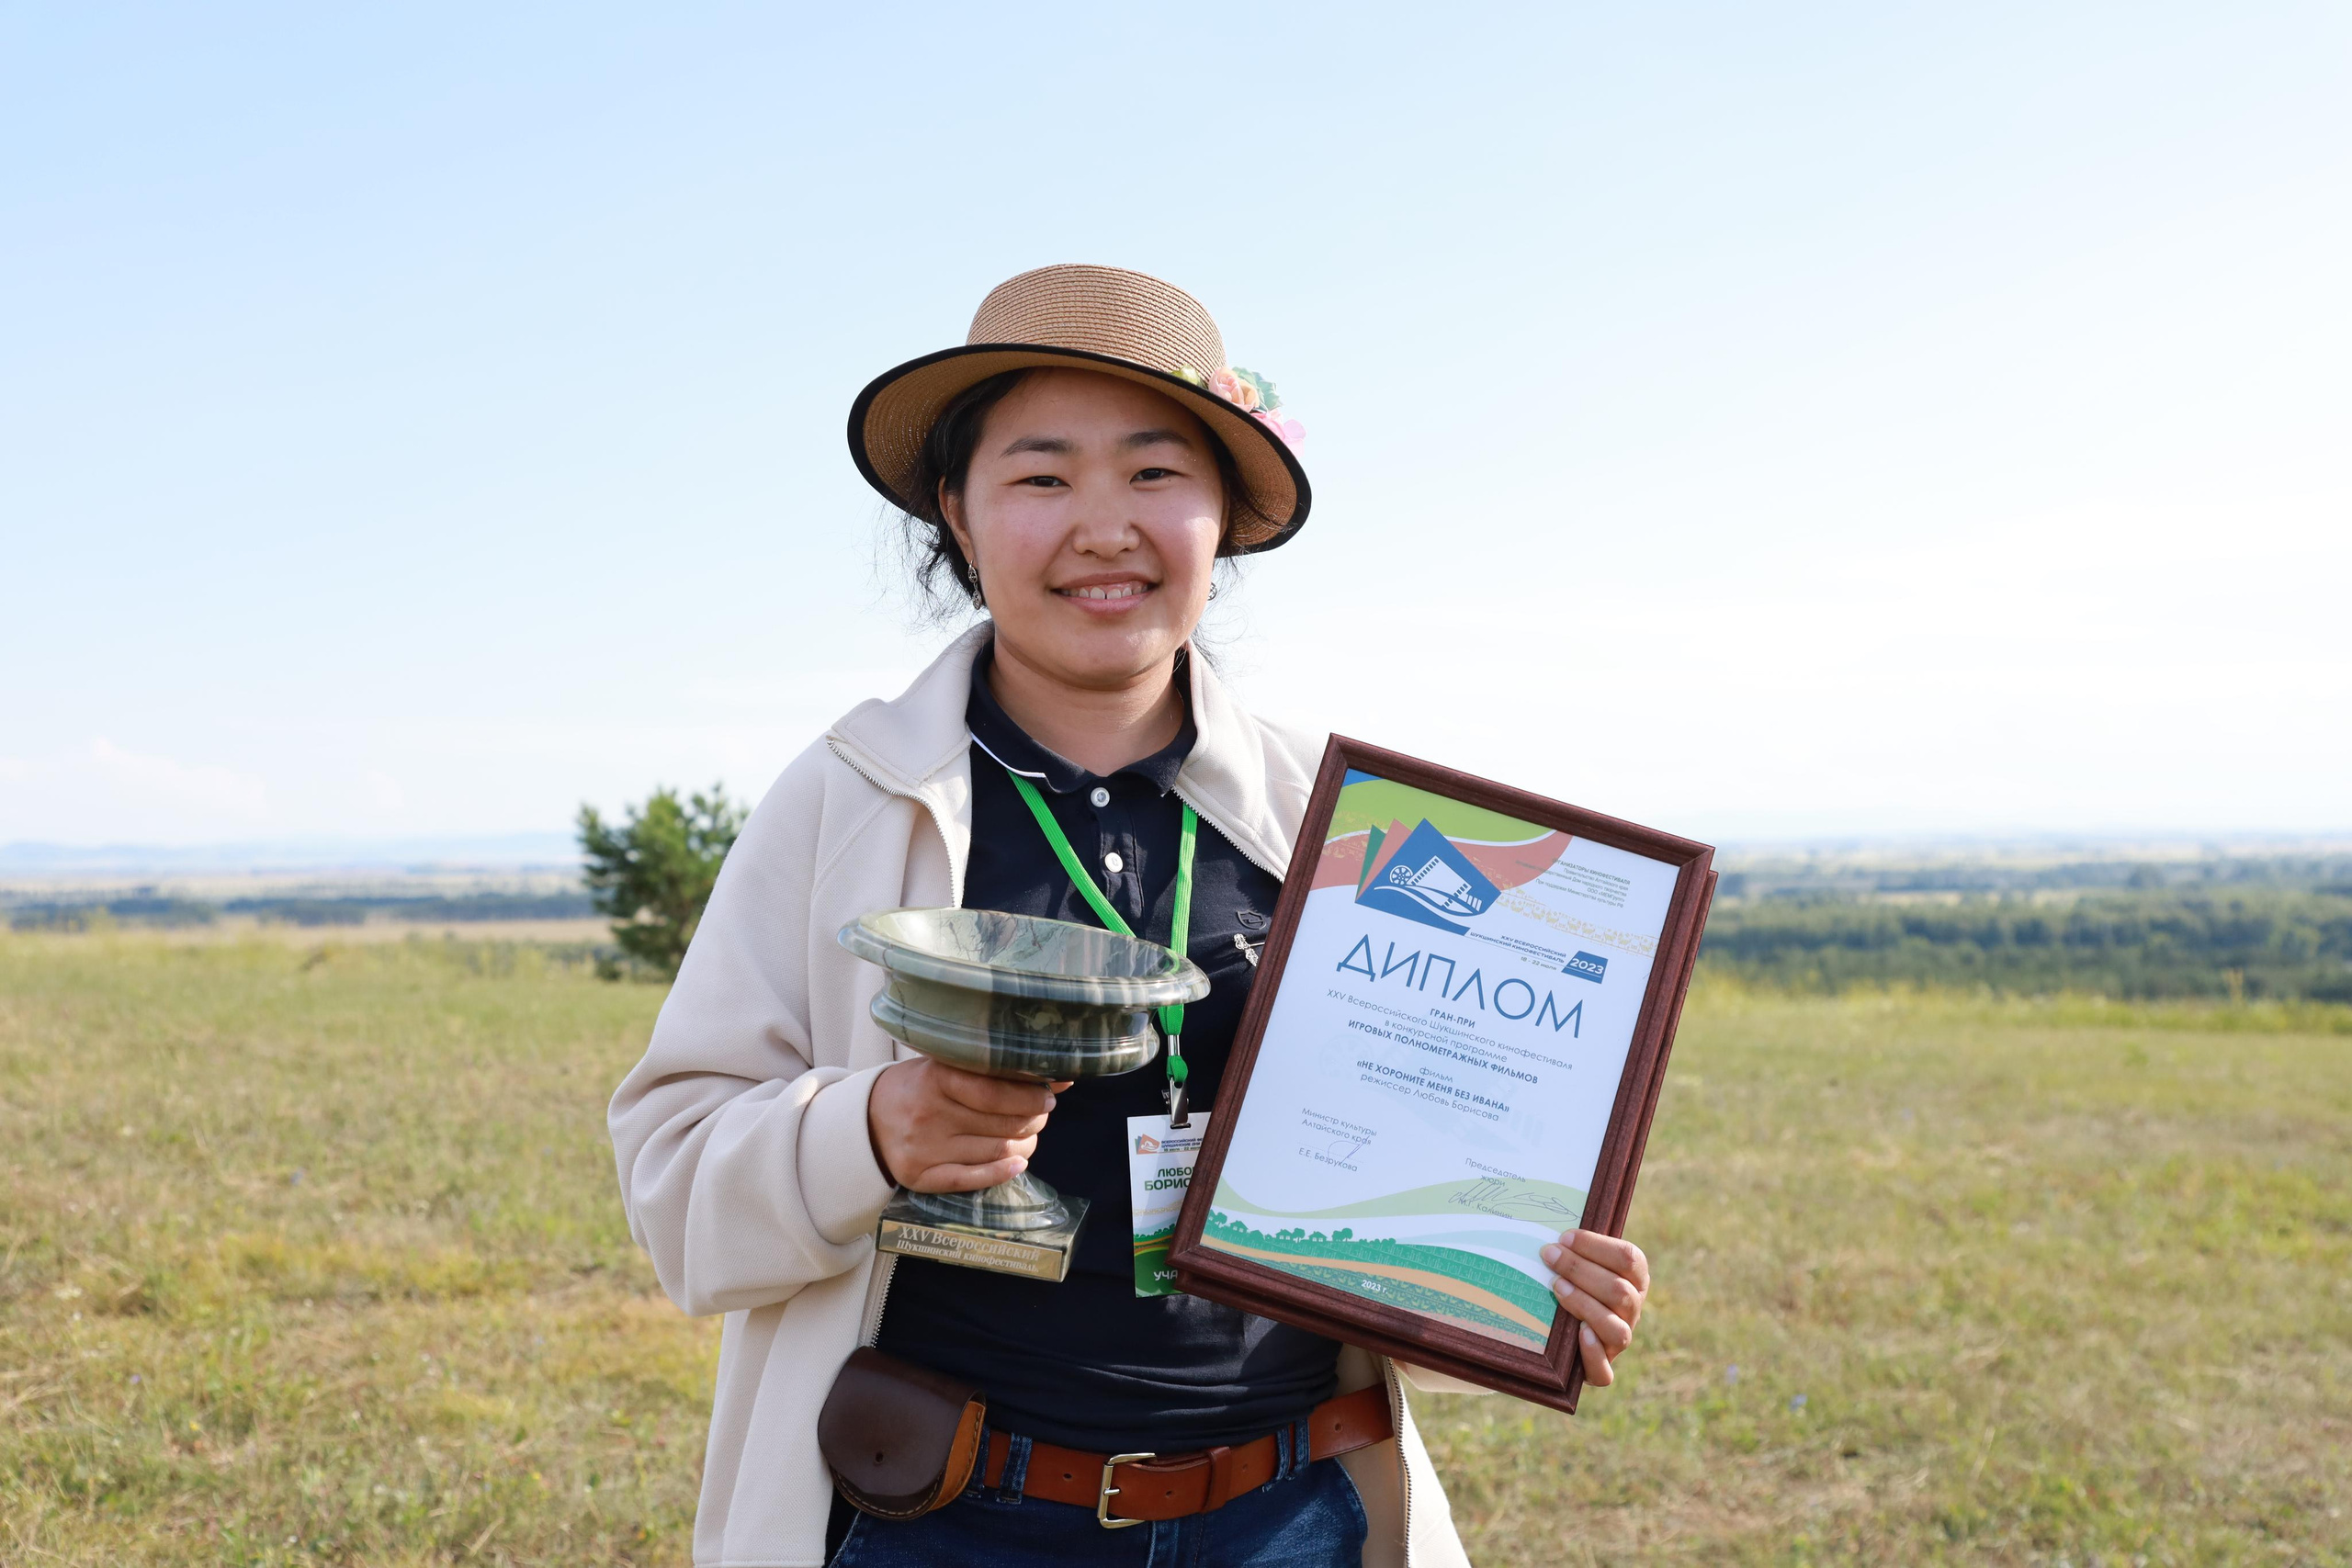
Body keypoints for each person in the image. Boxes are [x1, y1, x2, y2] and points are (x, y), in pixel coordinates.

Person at [607, 264, 1653, 1568]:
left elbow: (1408, 1170)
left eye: (1156, 474)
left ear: (1223, 515)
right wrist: (875, 1129)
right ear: (958, 511)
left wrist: (1523, 1272)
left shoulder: (1339, 818)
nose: (1104, 527)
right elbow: (672, 1175)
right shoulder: (851, 796)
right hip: (945, 1516)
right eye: (1042, 477)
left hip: (1290, 1516)